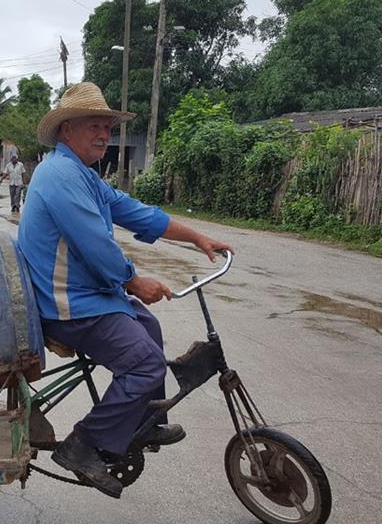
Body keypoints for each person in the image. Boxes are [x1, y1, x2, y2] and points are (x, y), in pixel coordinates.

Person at [17, 82, 233, 498]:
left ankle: (144, 421)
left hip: (88, 297)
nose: (104, 135)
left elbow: (138, 214)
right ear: (67, 131)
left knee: (146, 324)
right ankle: (83, 445)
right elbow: (96, 243)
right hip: (68, 305)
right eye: (95, 126)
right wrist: (133, 281)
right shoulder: (59, 174)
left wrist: (198, 238)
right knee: (145, 364)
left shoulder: (84, 175)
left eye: (107, 127)